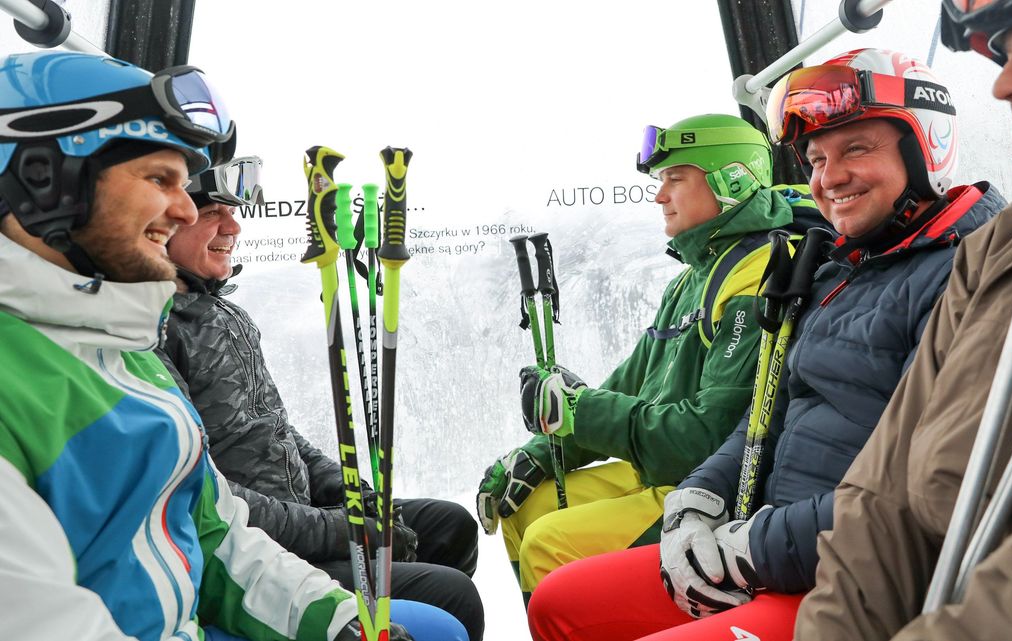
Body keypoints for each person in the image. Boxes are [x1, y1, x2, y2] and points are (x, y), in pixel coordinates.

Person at [526, 49, 1006, 641]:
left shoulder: (971, 277)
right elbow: (766, 413)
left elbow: (926, 493)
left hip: (861, 579)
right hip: (773, 545)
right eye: (816, 158)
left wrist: (754, 546)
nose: (829, 178)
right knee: (561, 603)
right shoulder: (837, 273)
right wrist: (700, 496)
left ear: (924, 146)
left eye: (856, 149)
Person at [0, 50, 415, 641]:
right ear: (45, 182)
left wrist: (334, 621)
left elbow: (214, 533)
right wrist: (334, 527)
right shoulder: (27, 377)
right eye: (158, 179)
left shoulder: (128, 350)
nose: (186, 208)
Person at [795, 2, 1012, 640]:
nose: (1005, 83)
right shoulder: (1004, 249)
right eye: (1007, 52)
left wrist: (757, 542)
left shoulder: (958, 250)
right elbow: (880, 494)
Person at [476, 113, 827, 605]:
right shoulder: (692, 278)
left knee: (548, 544)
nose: (659, 195)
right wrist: (539, 451)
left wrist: (579, 411)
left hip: (708, 492)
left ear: (733, 180)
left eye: (675, 179)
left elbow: (705, 439)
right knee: (525, 507)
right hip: (657, 470)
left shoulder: (759, 276)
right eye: (660, 181)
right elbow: (629, 386)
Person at [157, 156, 483, 641]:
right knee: (451, 594)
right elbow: (210, 495)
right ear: (168, 224)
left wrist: (347, 493)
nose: (234, 225)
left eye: (233, 212)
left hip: (300, 512)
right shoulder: (158, 334)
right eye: (212, 215)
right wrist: (338, 528)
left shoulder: (227, 315)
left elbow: (277, 428)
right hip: (261, 545)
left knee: (448, 524)